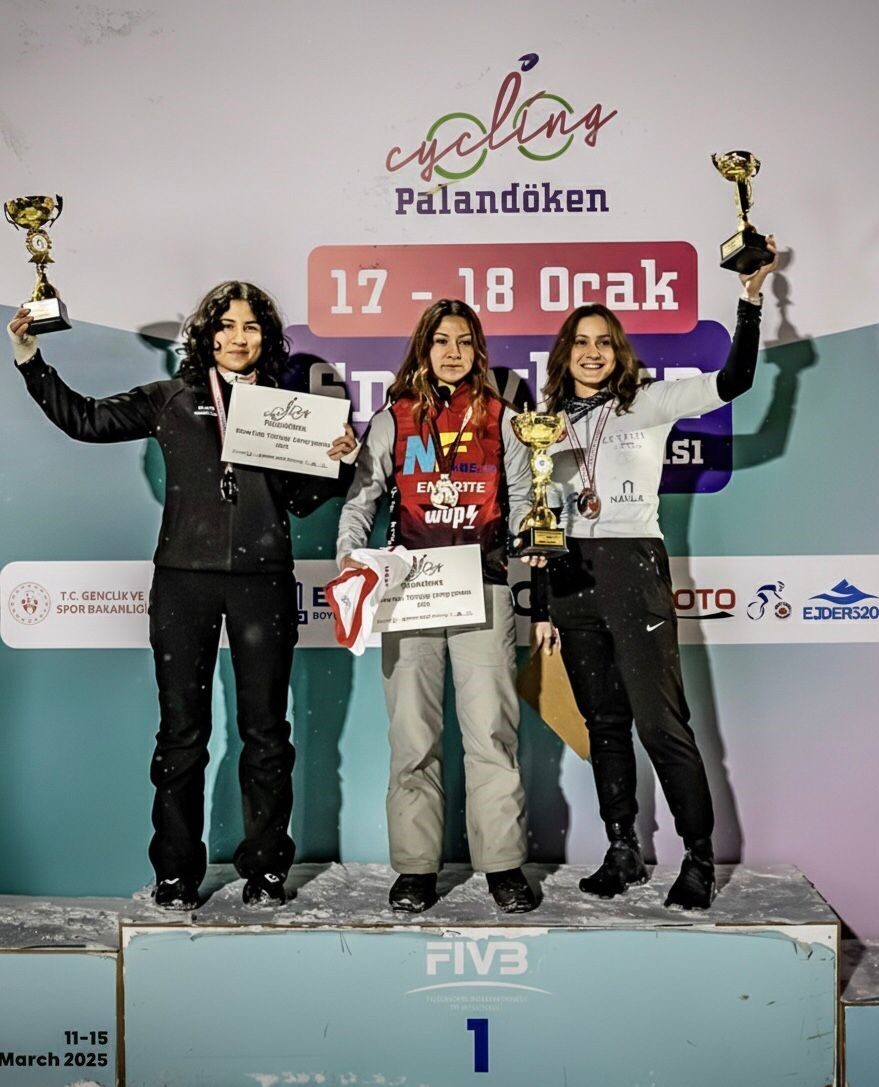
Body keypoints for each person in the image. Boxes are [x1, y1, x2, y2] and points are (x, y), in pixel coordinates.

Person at [8, 281, 357, 910]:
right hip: (183, 581)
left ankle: (265, 870)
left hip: (263, 581)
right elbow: (85, 420)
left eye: (251, 327)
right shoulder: (169, 398)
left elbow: (302, 502)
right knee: (180, 736)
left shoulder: (288, 410)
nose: (238, 338)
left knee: (266, 735)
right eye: (226, 325)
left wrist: (340, 463)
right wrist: (32, 360)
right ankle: (175, 873)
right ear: (206, 334)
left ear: (266, 338)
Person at [529, 242, 778, 910]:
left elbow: (734, 380)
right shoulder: (544, 424)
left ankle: (697, 857)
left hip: (632, 565)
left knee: (660, 723)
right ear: (564, 353)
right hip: (569, 574)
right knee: (603, 723)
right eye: (580, 342)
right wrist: (542, 604)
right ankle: (622, 849)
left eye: (603, 342)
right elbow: (539, 513)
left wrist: (750, 302)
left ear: (618, 351)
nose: (592, 352)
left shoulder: (648, 401)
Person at [336, 299, 536, 914]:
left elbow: (525, 498)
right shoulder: (393, 418)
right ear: (424, 348)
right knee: (412, 736)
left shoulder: (503, 418)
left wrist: (531, 539)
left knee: (491, 734)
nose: (453, 352)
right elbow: (361, 499)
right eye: (442, 341)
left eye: (465, 341)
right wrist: (350, 557)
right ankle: (416, 868)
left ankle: (502, 865)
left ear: (479, 351)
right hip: (410, 593)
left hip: (485, 588)